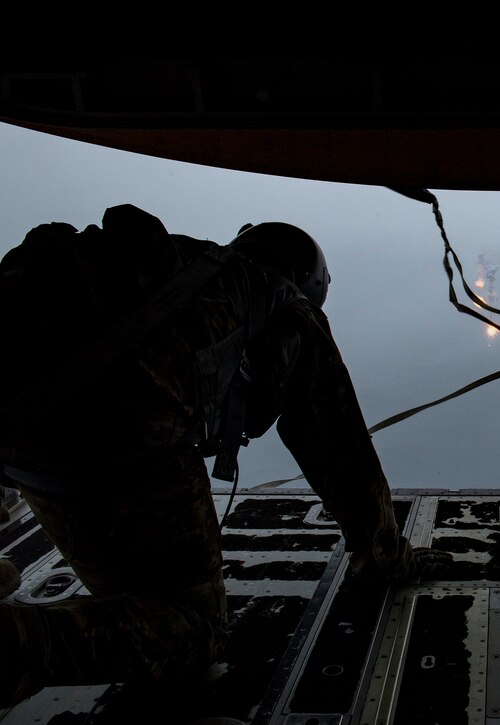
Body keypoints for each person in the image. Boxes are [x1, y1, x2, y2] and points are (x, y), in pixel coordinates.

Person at [0, 204, 450, 708]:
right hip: (123, 446)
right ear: (308, 282)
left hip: (20, 438)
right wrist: (385, 555)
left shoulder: (178, 266)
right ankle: (13, 644)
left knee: (126, 599)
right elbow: (339, 448)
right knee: (190, 630)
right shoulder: (285, 307)